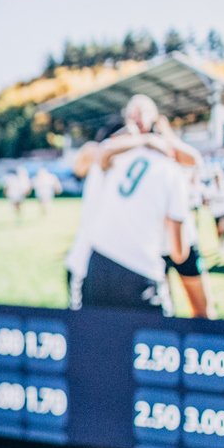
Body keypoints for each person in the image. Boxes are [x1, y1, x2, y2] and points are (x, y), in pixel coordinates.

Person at [65, 94, 193, 312]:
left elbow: (193, 159)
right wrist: (148, 140)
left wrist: (159, 140)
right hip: (95, 261)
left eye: (143, 111)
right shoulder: (110, 151)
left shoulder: (125, 156)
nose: (138, 118)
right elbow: (85, 161)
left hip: (100, 262)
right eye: (133, 112)